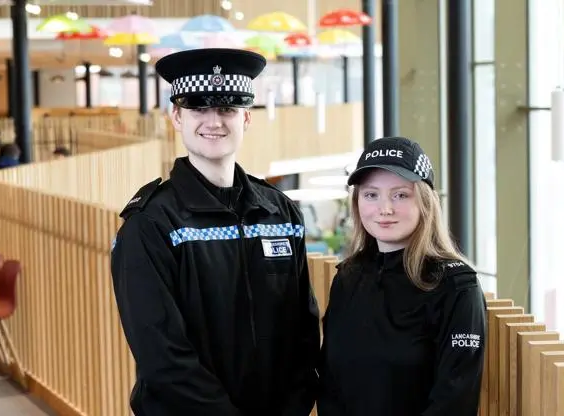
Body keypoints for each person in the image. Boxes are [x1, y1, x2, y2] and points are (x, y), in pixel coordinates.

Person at [110, 48, 320, 416]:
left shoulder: (280, 212)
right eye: (198, 109)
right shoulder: (151, 224)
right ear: (176, 116)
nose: (213, 121)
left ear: (246, 118)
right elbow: (162, 355)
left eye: (226, 109)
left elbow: (303, 328)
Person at [317, 137, 487, 416]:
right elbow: (331, 384)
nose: (385, 209)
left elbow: (454, 400)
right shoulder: (348, 278)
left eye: (400, 195)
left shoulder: (456, 287)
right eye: (371, 194)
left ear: (425, 203)